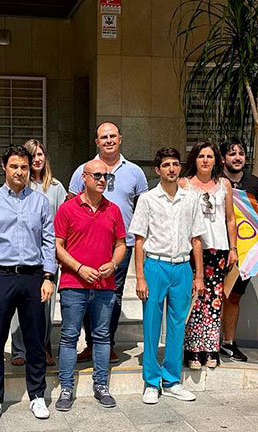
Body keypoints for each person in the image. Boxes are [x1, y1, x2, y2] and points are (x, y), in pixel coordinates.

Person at [0, 145, 57, 424]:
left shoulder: (40, 201)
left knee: (35, 340)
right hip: (0, 276)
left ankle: (36, 395)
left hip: (33, 276)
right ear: (4, 167)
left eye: (23, 166)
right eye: (14, 166)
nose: (20, 171)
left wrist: (48, 277)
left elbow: (48, 241)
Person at [69, 122, 148, 363]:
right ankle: (92, 344)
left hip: (121, 245)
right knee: (86, 293)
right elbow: (71, 206)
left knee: (113, 294)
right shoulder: (82, 170)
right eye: (104, 137)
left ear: (120, 139)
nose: (109, 140)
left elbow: (143, 209)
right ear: (97, 142)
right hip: (86, 244)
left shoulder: (135, 172)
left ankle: (107, 342)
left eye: (113, 136)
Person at [131, 147, 204, 404]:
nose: (171, 169)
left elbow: (197, 239)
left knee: (176, 325)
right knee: (151, 324)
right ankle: (151, 381)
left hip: (182, 267)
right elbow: (139, 240)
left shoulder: (191, 198)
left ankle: (172, 379)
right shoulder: (148, 199)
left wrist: (199, 276)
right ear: (157, 169)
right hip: (155, 266)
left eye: (175, 164)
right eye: (166, 165)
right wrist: (140, 277)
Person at [53, 159, 127, 411]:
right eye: (97, 175)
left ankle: (101, 385)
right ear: (84, 177)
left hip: (105, 285)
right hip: (74, 284)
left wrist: (114, 263)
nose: (103, 180)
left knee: (102, 336)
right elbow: (57, 246)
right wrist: (79, 268)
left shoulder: (114, 210)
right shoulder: (67, 209)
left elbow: (121, 244)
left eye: (106, 176)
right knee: (69, 336)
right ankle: (65, 387)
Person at [8, 138, 68, 367]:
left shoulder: (56, 187)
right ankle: (19, 350)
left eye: (40, 154)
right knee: (19, 306)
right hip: (21, 254)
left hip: (48, 254)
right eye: (32, 155)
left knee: (45, 305)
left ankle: (43, 348)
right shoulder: (20, 185)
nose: (37, 159)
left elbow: (63, 221)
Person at [180, 141, 238, 369]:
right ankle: (192, 350)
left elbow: (230, 218)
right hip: (193, 249)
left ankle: (211, 348)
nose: (205, 160)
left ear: (217, 160)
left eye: (210, 156)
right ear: (194, 159)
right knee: (194, 299)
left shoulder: (224, 184)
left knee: (214, 300)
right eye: (201, 156)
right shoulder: (184, 184)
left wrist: (233, 248)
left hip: (219, 248)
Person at [219, 138, 258, 362]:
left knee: (233, 297)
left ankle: (228, 343)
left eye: (241, 154)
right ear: (223, 158)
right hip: (215, 248)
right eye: (232, 154)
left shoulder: (254, 184)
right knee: (208, 297)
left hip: (244, 252)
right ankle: (204, 343)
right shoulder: (215, 181)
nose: (237, 158)